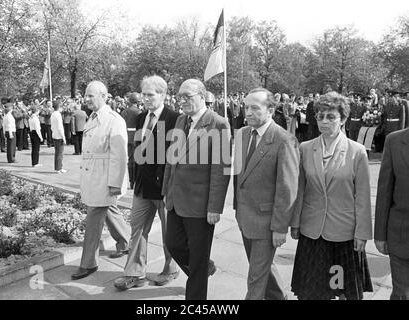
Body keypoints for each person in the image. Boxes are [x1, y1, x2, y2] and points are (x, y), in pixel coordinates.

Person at [290, 91, 373, 300]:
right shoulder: (306, 148)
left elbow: (362, 197)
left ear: (343, 119)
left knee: (344, 292)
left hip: (344, 234)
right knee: (311, 293)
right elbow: (300, 190)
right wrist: (296, 222)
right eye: (320, 116)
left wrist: (362, 232)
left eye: (331, 117)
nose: (324, 121)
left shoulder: (357, 152)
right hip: (312, 232)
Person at [162, 79, 231, 300]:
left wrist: (215, 207)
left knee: (198, 259)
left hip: (201, 205)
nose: (181, 101)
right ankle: (203, 268)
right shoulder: (181, 120)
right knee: (173, 244)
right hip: (175, 199)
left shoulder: (218, 123)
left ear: (202, 96)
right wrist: (166, 190)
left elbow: (221, 170)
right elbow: (171, 160)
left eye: (187, 97)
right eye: (180, 96)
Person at [233, 87, 299, 300]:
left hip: (267, 222)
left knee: (255, 278)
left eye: (254, 108)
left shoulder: (284, 140)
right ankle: (280, 297)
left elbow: (287, 188)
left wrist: (280, 227)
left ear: (271, 110)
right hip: (245, 218)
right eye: (246, 107)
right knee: (261, 267)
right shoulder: (242, 134)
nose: (247, 112)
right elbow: (240, 177)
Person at [114, 76, 180, 291]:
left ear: (163, 94)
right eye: (144, 94)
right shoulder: (142, 117)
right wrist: (134, 178)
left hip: (165, 188)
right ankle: (134, 273)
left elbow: (175, 156)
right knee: (137, 229)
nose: (146, 98)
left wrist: (167, 185)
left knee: (169, 232)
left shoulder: (175, 118)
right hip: (143, 187)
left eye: (151, 94)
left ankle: (170, 268)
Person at [71, 81, 129, 281]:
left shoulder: (114, 120)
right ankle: (126, 242)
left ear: (104, 96)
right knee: (110, 210)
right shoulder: (92, 117)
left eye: (91, 96)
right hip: (94, 176)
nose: (86, 99)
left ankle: (88, 263)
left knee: (94, 218)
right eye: (86, 95)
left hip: (105, 179)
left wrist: (115, 183)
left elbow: (119, 156)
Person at [375, 127, 409, 299]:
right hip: (401, 235)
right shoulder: (394, 140)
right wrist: (380, 235)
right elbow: (384, 190)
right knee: (402, 294)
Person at [120, 92, 143, 189]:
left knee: (130, 160)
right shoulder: (139, 112)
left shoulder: (124, 112)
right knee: (137, 160)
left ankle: (131, 181)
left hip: (127, 136)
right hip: (137, 137)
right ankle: (135, 180)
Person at [51, 100, 67, 173]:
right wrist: (64, 137)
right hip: (59, 135)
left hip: (54, 134)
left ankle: (58, 167)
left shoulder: (53, 114)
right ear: (59, 107)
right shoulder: (58, 115)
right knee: (60, 153)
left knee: (57, 152)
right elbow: (60, 127)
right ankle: (59, 168)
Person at [2, 98, 17, 163]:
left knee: (9, 146)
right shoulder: (9, 115)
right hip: (11, 131)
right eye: (11, 107)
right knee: (11, 147)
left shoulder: (6, 115)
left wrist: (4, 132)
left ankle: (10, 158)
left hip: (7, 131)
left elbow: (4, 125)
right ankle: (11, 159)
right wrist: (11, 134)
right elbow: (9, 125)